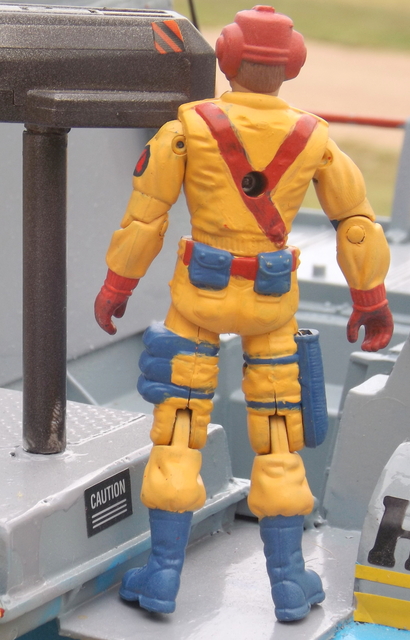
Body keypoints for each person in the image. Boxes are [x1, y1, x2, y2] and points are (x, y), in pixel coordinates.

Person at [94, 5, 393, 622]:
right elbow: (356, 222)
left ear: (225, 56)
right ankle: (288, 582)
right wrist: (370, 297)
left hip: (198, 299)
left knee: (179, 428)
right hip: (270, 305)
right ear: (293, 65)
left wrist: (118, 284)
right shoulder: (314, 137)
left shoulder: (187, 127)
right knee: (279, 435)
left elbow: (146, 217)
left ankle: (163, 574)